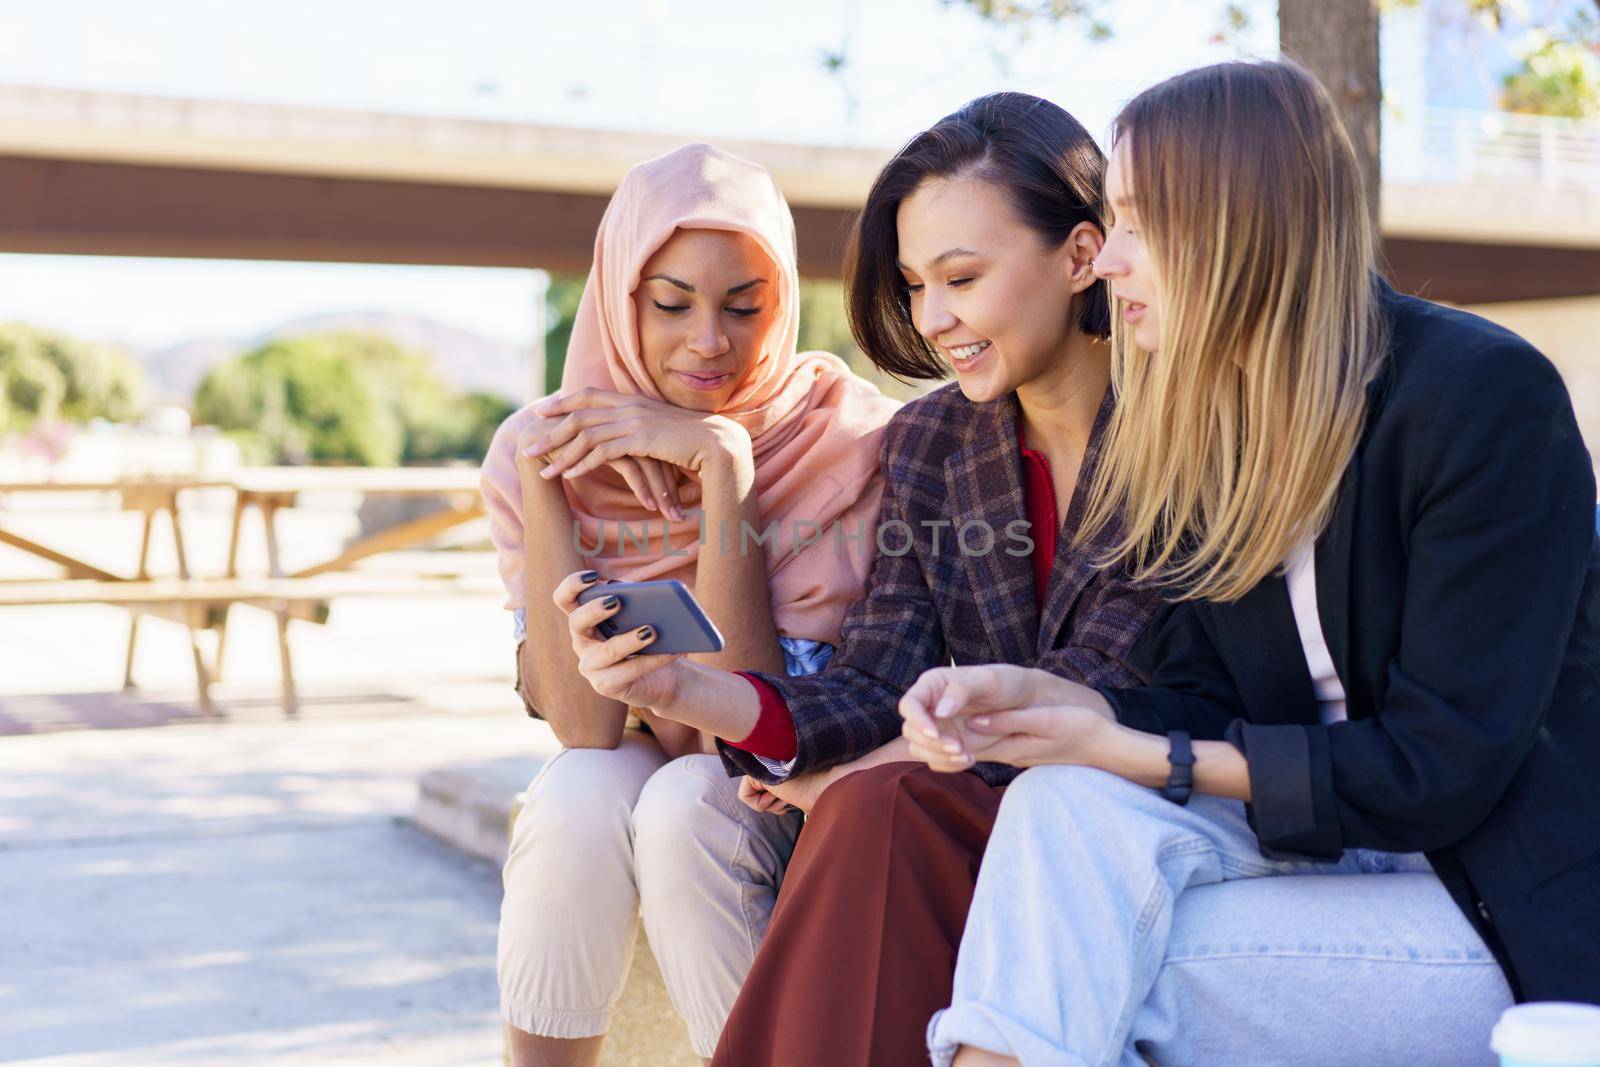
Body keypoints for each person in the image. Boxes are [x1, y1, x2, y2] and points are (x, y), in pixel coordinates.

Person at [905, 60, 1600, 1067]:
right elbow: (1196, 690)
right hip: (1317, 855)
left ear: (1236, 220)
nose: (1108, 263)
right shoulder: (1197, 425)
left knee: (1104, 969)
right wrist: (1067, 709)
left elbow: (1440, 767)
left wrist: (1143, 754)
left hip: (1497, 904)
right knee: (1059, 803)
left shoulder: (1481, 399)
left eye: (1137, 222)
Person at [552, 93, 1162, 1067]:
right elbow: (876, 674)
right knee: (858, 805)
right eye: (917, 283)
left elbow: (1118, 685)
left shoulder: (1191, 427)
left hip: (1146, 801)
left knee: (879, 806)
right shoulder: (931, 438)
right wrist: (688, 688)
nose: (934, 319)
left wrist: (876, 768)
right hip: (990, 803)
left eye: (960, 276)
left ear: (1082, 254)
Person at [478, 142, 899, 1066]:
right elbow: (586, 727)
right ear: (620, 299)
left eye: (745, 307)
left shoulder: (841, 437)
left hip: (788, 786)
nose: (710, 339)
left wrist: (724, 465)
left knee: (684, 800)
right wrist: (549, 485)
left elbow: (736, 723)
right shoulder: (537, 450)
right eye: (670, 304)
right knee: (579, 792)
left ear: (782, 304)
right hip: (632, 760)